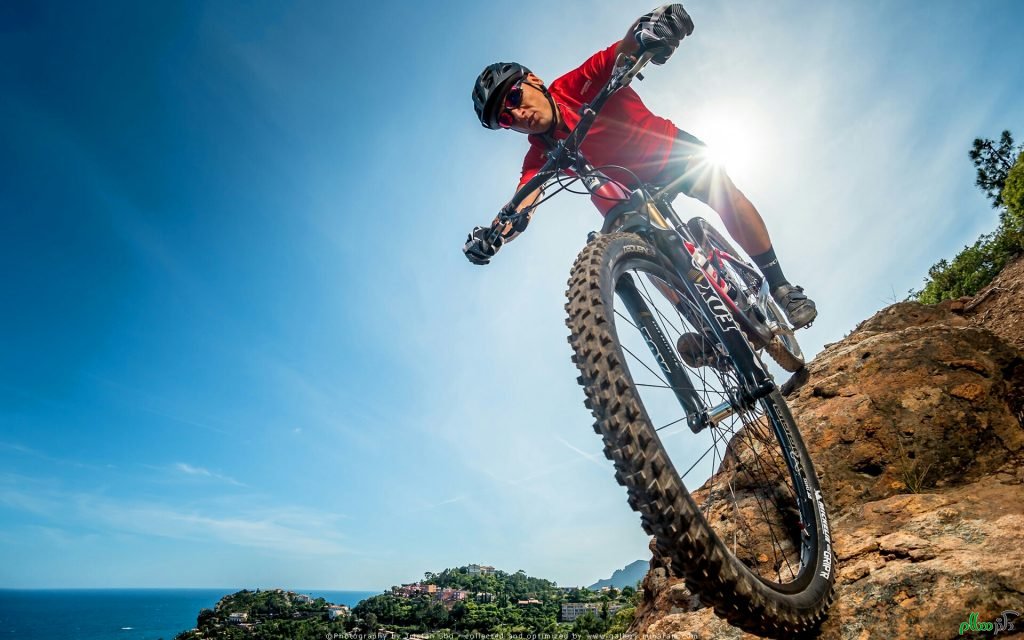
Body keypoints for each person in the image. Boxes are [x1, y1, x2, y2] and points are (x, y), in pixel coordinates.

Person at [463, 4, 817, 330]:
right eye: (506, 119)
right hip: (629, 196)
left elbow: (625, 49)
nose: (517, 114)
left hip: (667, 153)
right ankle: (705, 329)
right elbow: (523, 200)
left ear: (534, 81)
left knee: (719, 187)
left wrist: (652, 26)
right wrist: (496, 235)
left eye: (514, 98)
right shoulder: (539, 153)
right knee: (635, 242)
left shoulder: (576, 83)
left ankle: (781, 287)